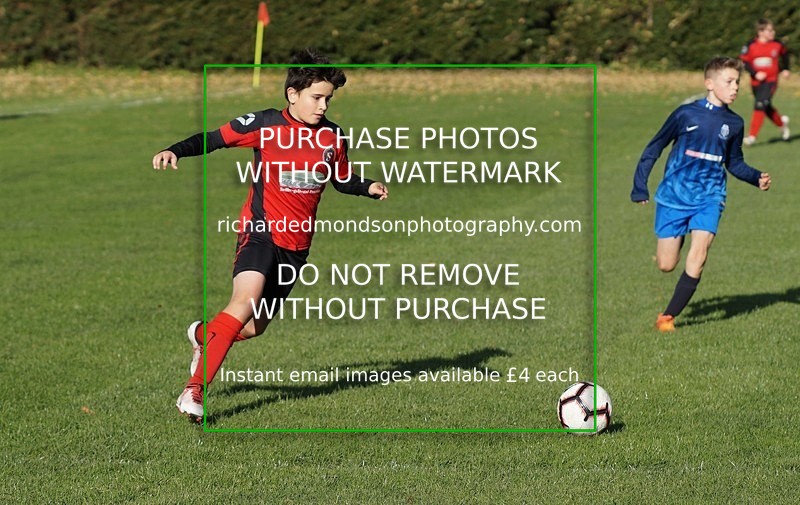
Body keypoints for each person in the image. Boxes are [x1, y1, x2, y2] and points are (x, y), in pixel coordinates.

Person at [152, 48, 389, 422]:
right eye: (316, 97)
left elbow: (342, 180)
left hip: (297, 247)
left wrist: (367, 186)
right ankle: (194, 391)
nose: (323, 105)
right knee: (244, 301)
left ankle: (205, 338)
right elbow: (214, 138)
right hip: (260, 232)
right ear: (293, 94)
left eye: (328, 98)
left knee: (253, 326)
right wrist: (174, 150)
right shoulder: (264, 124)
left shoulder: (332, 136)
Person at [631, 56, 771, 332]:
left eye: (737, 83)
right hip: (674, 196)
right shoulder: (686, 114)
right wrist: (639, 185)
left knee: (700, 255)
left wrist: (756, 177)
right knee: (666, 265)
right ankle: (679, 233)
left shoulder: (735, 123)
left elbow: (734, 163)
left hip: (710, 196)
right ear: (709, 83)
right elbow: (655, 147)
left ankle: (667, 317)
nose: (735, 88)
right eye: (729, 82)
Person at [739, 18, 791, 145]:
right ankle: (782, 123)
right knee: (765, 107)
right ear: (760, 32)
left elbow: (785, 54)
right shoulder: (750, 45)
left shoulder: (777, 44)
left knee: (760, 104)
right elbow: (744, 62)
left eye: (773, 30)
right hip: (756, 83)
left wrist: (785, 69)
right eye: (769, 30)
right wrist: (755, 73)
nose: (772, 32)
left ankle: (751, 136)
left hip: (771, 81)